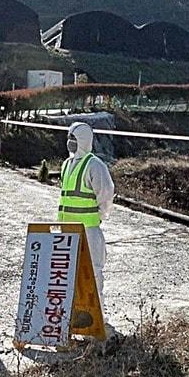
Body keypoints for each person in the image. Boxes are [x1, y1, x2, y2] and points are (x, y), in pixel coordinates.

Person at [57, 122, 114, 296]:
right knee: (68, 271)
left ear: (82, 140)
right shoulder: (66, 164)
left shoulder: (94, 165)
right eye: (69, 138)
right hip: (67, 230)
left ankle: (98, 313)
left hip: (88, 230)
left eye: (73, 138)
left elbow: (106, 193)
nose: (70, 142)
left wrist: (100, 215)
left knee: (93, 271)